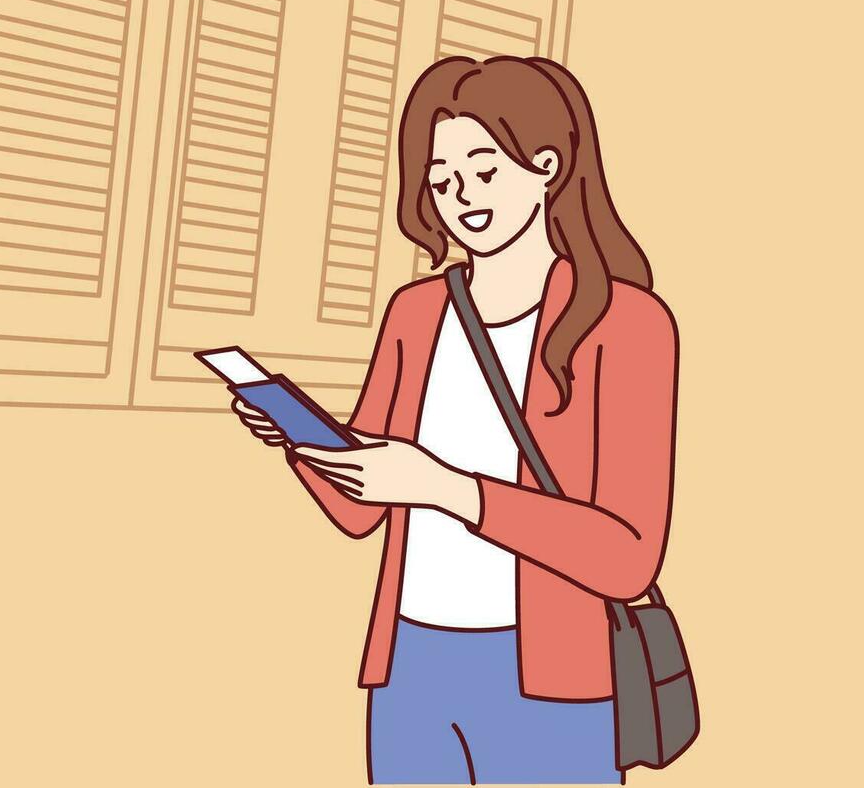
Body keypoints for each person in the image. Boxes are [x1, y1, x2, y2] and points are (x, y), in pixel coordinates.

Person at [233, 56, 679, 784]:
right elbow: (359, 511)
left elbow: (627, 556)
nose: (459, 197)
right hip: (411, 666)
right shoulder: (417, 313)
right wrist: (299, 439)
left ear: (546, 166)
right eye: (441, 180)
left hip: (550, 679)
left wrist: (449, 489)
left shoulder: (623, 323)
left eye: (483, 170)